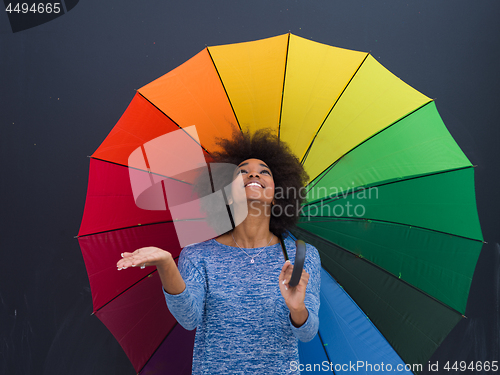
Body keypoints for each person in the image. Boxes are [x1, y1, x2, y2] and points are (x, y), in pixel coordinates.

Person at [116, 128, 321, 374]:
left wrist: (297, 308)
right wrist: (166, 264)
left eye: (264, 171)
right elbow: (189, 318)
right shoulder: (198, 255)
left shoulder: (302, 256)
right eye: (242, 172)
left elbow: (308, 333)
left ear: (277, 195)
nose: (253, 173)